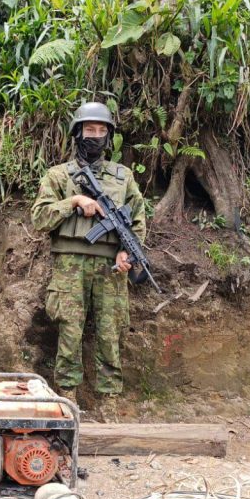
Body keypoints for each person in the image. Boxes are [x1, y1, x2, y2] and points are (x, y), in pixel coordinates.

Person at [30, 102, 146, 411]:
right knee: (70, 330)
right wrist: (74, 201)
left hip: (111, 267)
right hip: (69, 265)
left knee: (110, 332)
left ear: (109, 136)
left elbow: (137, 221)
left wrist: (126, 252)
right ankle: (67, 397)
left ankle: (109, 401)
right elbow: (39, 218)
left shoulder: (123, 177)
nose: (95, 136)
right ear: (77, 133)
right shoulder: (58, 176)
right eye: (89, 130)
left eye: (101, 130)